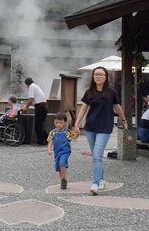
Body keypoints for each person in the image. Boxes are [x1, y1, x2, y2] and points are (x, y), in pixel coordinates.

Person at [72, 66, 127, 196]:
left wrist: (123, 119)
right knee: (96, 156)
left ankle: (95, 183)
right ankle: (101, 179)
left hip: (105, 127)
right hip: (91, 127)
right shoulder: (89, 91)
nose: (98, 76)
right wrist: (76, 124)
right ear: (93, 77)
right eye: (96, 74)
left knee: (97, 155)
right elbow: (84, 108)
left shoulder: (112, 92)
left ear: (106, 77)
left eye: (101, 74)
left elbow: (117, 107)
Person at [47, 113, 77, 190]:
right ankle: (63, 180)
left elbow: (74, 137)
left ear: (65, 123)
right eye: (56, 123)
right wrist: (49, 149)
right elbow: (50, 141)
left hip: (65, 151)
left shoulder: (67, 131)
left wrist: (77, 132)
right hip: (57, 152)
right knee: (59, 167)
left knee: (62, 163)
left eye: (61, 123)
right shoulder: (53, 132)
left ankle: (63, 180)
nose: (58, 125)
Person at [24, 77, 49, 146]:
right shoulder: (36, 86)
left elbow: (31, 99)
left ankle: (40, 141)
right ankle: (48, 139)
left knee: (38, 125)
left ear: (27, 84)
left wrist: (26, 107)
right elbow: (35, 100)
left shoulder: (31, 87)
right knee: (40, 125)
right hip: (43, 106)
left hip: (40, 107)